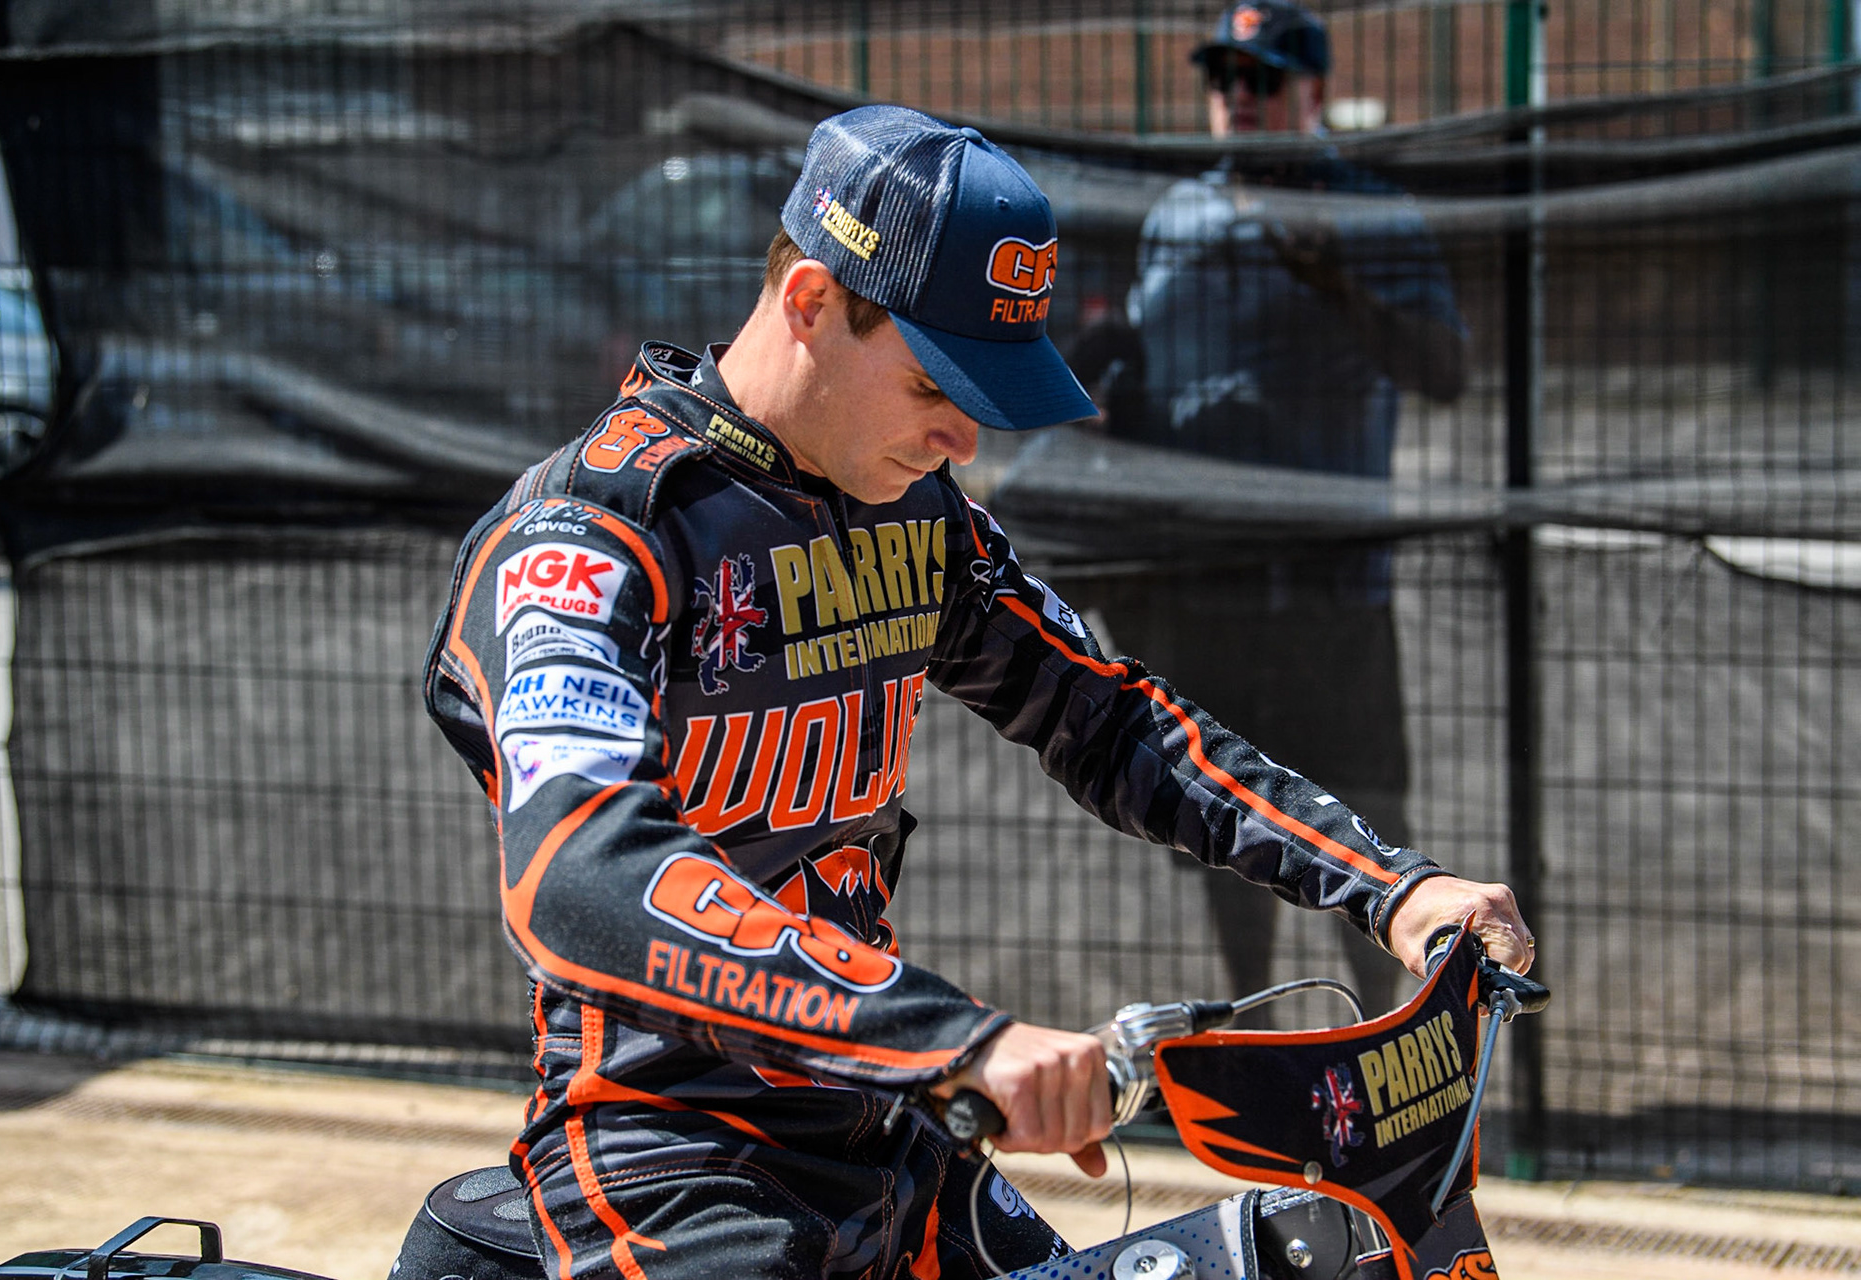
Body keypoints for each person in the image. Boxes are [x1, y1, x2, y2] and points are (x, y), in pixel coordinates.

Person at [396, 104, 1525, 1280]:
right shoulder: (588, 535)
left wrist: (1393, 884)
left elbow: (1113, 720)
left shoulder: (919, 519)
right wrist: (950, 1040)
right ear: (812, 304)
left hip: (894, 1130)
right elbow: (576, 868)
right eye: (942, 382)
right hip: (673, 1156)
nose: (967, 438)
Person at [1074, 0, 1471, 1023]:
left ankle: (1380, 1036)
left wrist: (1332, 278)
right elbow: (1161, 379)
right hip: (1213, 591)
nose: (1237, 96)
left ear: (1315, 92)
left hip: (1335, 591)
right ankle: (1253, 1026)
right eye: (1223, 76)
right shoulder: (1179, 214)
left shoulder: (1371, 213)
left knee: (1365, 818)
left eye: (1261, 75)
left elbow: (1446, 370)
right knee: (1228, 817)